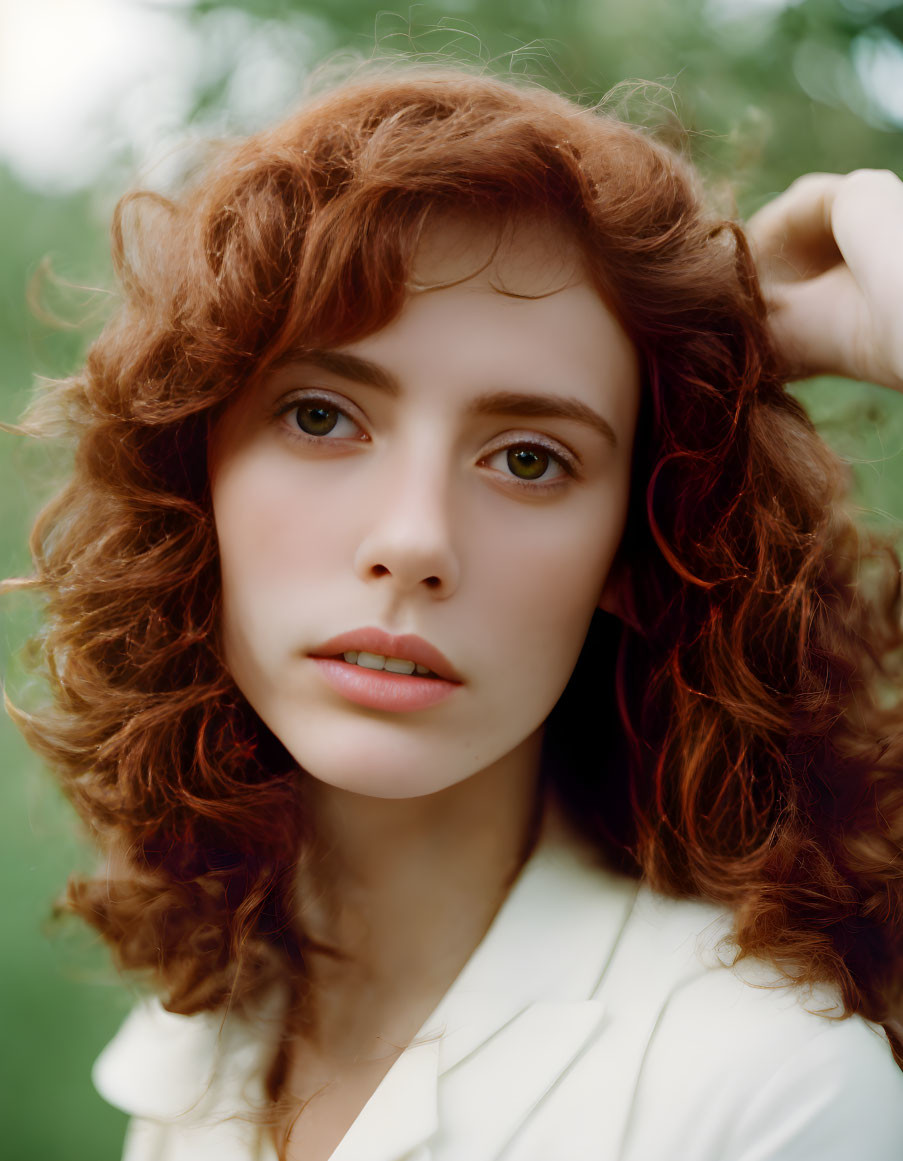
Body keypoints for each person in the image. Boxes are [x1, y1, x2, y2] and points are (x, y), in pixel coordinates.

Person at [7, 65, 903, 1161]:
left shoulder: (766, 1091)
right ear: (195, 482)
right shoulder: (206, 1031)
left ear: (636, 548)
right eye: (323, 416)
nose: (414, 539)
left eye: (529, 458)